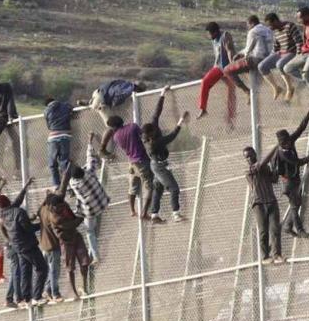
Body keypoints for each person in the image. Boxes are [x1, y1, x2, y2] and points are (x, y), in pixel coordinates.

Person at [141, 86, 190, 223]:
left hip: (156, 165)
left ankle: (154, 215)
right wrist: (181, 121)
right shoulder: (155, 143)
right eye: (154, 129)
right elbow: (172, 136)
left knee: (158, 189)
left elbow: (157, 112)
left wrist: (162, 93)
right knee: (174, 188)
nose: (157, 128)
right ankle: (176, 214)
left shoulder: (152, 130)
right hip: (160, 167)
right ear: (150, 134)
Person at [0, 178, 48, 306]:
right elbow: (29, 229)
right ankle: (37, 296)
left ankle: (27, 299)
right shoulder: (19, 212)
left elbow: (18, 200)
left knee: (26, 271)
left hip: (17, 247)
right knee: (42, 268)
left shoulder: (2, 216)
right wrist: (42, 225)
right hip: (28, 245)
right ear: (8, 202)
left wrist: (25, 187)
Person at [100, 115, 160, 223]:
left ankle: (132, 210)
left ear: (113, 127)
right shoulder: (133, 126)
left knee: (133, 187)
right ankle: (144, 212)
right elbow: (144, 136)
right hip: (142, 161)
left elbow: (109, 134)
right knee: (150, 187)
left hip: (132, 162)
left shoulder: (116, 136)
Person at [273, 106, 309, 238]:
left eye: (289, 142)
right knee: (294, 205)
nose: (288, 144)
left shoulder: (289, 141)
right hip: (288, 182)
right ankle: (299, 230)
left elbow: (300, 129)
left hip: (294, 178)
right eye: (286, 144)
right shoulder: (283, 154)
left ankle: (287, 227)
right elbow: (298, 162)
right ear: (281, 144)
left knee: (297, 203)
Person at [197, 22, 250, 124]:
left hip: (227, 65)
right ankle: (203, 109)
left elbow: (229, 50)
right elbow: (217, 56)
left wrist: (232, 64)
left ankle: (247, 92)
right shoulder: (214, 40)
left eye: (210, 34)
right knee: (205, 82)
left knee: (233, 82)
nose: (209, 36)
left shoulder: (225, 36)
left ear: (216, 32)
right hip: (218, 67)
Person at [68, 138, 111, 265]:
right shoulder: (89, 172)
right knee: (97, 184)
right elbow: (90, 159)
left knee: (89, 232)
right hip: (103, 202)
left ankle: (96, 256)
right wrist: (89, 142)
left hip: (90, 211)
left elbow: (68, 188)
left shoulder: (73, 184)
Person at [46, 193, 91, 300]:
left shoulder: (64, 205)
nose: (62, 207)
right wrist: (80, 219)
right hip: (66, 242)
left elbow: (73, 218)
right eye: (60, 206)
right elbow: (72, 224)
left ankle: (84, 287)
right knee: (70, 268)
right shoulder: (54, 217)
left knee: (85, 262)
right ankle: (74, 292)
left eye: (63, 205)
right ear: (54, 207)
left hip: (75, 236)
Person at [243, 144, 283, 264]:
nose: (249, 159)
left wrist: (276, 166)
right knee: (263, 230)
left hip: (271, 200)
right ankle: (265, 256)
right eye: (246, 157)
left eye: (250, 156)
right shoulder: (249, 171)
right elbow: (261, 165)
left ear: (255, 154)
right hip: (259, 204)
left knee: (275, 228)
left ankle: (277, 255)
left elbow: (274, 179)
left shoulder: (264, 167)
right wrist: (275, 147)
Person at [223, 15, 275, 93]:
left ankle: (246, 91)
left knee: (227, 70)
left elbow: (248, 50)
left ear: (252, 23)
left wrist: (239, 54)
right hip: (269, 59)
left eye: (248, 25)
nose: (248, 27)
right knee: (247, 68)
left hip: (256, 59)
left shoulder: (253, 32)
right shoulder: (268, 30)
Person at [260, 13, 302, 101]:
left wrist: (298, 56)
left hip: (292, 52)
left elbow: (299, 42)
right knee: (262, 66)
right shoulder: (275, 31)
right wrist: (270, 58)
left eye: (270, 25)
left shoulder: (290, 26)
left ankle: (289, 88)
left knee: (280, 64)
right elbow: (276, 47)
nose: (269, 28)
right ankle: (276, 87)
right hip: (281, 53)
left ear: (275, 21)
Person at [37, 190, 64, 303]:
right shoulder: (52, 215)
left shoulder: (42, 210)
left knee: (49, 270)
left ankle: (47, 290)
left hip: (44, 245)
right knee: (54, 271)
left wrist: (47, 196)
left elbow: (39, 209)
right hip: (52, 246)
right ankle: (55, 294)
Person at [44, 97, 74, 188]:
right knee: (64, 162)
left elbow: (49, 126)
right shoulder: (65, 105)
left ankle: (56, 184)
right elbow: (71, 108)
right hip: (65, 136)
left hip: (53, 137)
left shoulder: (47, 110)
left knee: (52, 163)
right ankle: (68, 185)